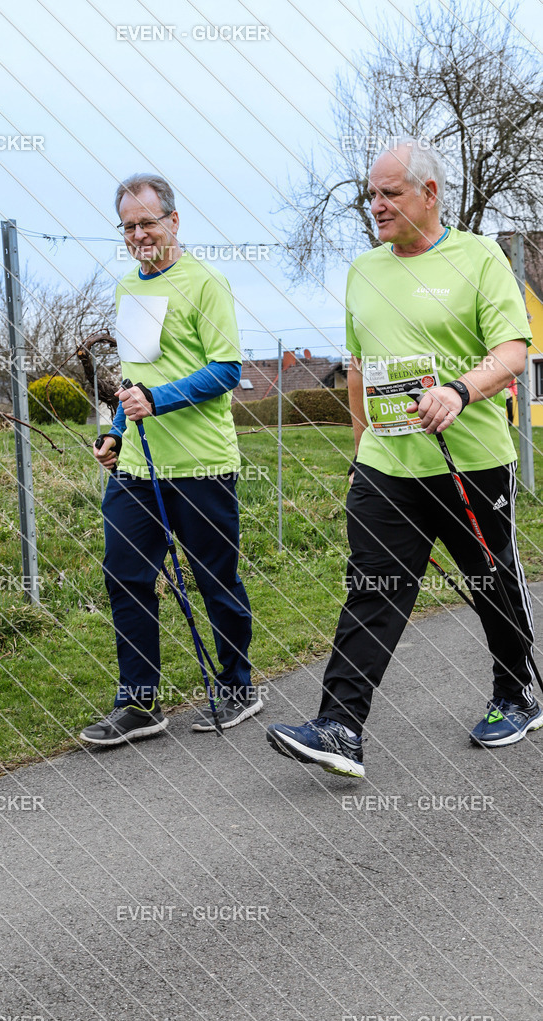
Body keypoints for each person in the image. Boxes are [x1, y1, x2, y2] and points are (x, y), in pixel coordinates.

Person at [267, 138, 541, 779]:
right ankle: (340, 726)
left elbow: (513, 353)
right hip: (387, 466)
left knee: (491, 582)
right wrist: (361, 445)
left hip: (468, 459)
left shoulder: (477, 258)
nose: (377, 206)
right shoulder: (365, 271)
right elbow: (359, 367)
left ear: (430, 193)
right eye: (371, 195)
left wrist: (458, 391)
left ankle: (515, 694)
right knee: (374, 586)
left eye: (390, 193)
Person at [79, 173, 258, 747]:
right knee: (126, 575)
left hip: (202, 464)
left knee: (215, 580)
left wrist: (159, 400)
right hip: (138, 467)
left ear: (173, 222)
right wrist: (115, 431)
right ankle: (139, 704)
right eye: (128, 227)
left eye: (148, 223)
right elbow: (135, 378)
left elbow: (226, 370)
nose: (138, 236)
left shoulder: (206, 284)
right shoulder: (127, 288)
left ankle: (238, 687)